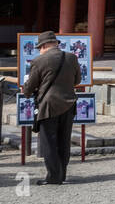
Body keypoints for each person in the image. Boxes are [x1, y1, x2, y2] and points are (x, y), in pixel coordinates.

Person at [22, 31, 81, 184]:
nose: (39, 50)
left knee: (49, 142)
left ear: (45, 45)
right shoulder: (71, 57)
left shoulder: (39, 61)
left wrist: (27, 91)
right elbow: (77, 80)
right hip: (68, 104)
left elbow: (30, 86)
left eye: (40, 47)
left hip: (48, 105)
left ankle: (54, 176)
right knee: (64, 141)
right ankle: (62, 175)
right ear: (56, 43)